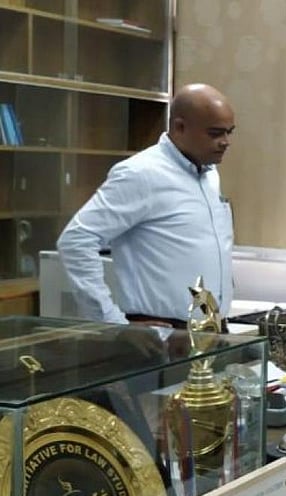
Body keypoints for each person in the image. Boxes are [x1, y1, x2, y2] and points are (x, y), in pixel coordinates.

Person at [57, 83, 236, 328]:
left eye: (229, 132)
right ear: (179, 127)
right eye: (215, 133)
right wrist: (112, 324)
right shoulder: (141, 174)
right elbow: (76, 240)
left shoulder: (209, 174)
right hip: (164, 336)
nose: (225, 142)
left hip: (212, 329)